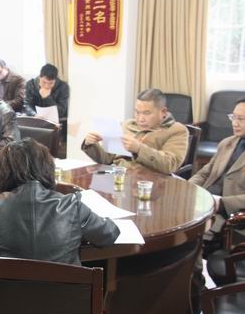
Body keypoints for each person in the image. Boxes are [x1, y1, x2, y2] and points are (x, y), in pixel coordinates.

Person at [0, 138, 120, 264]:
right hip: (66, 293)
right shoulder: (71, 205)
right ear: (47, 169)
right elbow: (109, 234)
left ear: (2, 172)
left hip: (10, 292)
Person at [82, 89, 188, 174]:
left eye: (146, 113)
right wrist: (90, 144)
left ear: (163, 112)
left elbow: (170, 165)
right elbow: (107, 160)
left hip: (149, 183)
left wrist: (139, 149)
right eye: (137, 112)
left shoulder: (176, 130)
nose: (140, 119)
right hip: (117, 177)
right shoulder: (127, 125)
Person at [190, 97, 245, 242]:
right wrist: (188, 188)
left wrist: (222, 203)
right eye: (233, 117)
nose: (234, 123)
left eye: (241, 119)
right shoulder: (227, 143)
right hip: (204, 203)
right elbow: (205, 173)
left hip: (228, 216)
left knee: (187, 238)